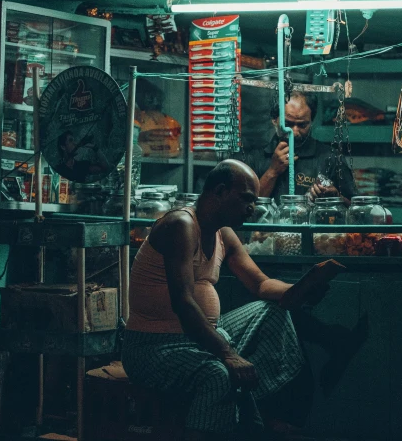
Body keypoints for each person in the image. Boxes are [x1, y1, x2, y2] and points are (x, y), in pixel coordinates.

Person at [122, 160, 332, 441]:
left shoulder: (224, 233)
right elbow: (183, 302)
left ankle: (246, 409)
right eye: (246, 199)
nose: (252, 208)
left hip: (197, 338)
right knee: (218, 374)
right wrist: (228, 355)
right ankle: (234, 416)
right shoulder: (181, 225)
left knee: (273, 313)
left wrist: (300, 290)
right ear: (220, 191)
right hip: (154, 347)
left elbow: (260, 284)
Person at [247, 91, 356, 204]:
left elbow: (355, 208)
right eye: (288, 124)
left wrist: (335, 196)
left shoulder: (330, 158)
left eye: (302, 125)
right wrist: (272, 171)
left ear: (311, 121)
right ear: (274, 119)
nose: (295, 132)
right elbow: (246, 208)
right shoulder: (255, 157)